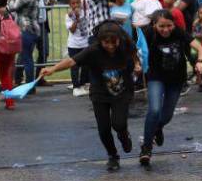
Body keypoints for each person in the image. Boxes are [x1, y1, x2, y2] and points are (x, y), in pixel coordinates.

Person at [40, 21, 140, 171]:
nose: (110, 46)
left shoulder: (126, 46)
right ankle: (113, 156)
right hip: (100, 93)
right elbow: (72, 61)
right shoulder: (93, 51)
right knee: (103, 129)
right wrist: (53, 69)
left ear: (119, 39)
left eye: (114, 42)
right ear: (100, 41)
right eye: (106, 43)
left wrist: (137, 64)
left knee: (118, 123)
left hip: (122, 92)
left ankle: (123, 134)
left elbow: (134, 54)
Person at [137, 10, 202, 169]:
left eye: (169, 26)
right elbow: (135, 50)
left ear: (174, 24)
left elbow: (199, 48)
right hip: (156, 77)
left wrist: (200, 61)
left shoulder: (179, 32)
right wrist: (137, 64)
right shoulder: (148, 33)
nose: (166, 29)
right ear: (154, 25)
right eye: (161, 26)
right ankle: (146, 148)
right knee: (154, 110)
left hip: (176, 79)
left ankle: (157, 128)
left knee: (166, 117)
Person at [7, 0, 41, 86]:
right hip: (29, 30)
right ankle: (23, 82)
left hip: (27, 30)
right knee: (25, 57)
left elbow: (12, 7)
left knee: (27, 59)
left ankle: (29, 85)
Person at [65, 0, 90, 97]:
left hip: (85, 43)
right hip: (73, 44)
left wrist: (80, 16)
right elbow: (72, 30)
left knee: (85, 66)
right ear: (70, 5)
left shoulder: (86, 13)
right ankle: (75, 87)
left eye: (77, 3)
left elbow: (85, 27)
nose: (75, 5)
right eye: (73, 3)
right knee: (74, 66)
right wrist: (76, 18)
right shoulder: (68, 16)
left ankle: (82, 84)